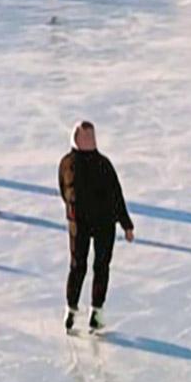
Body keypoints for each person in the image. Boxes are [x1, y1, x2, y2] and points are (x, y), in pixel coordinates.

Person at [59, 121, 135, 334]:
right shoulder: (69, 163)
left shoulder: (102, 164)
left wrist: (126, 224)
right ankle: (71, 310)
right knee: (78, 265)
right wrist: (73, 212)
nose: (92, 140)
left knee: (100, 266)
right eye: (87, 137)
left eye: (92, 136)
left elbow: (116, 195)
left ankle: (96, 312)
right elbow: (64, 191)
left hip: (102, 223)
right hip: (81, 224)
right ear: (76, 139)